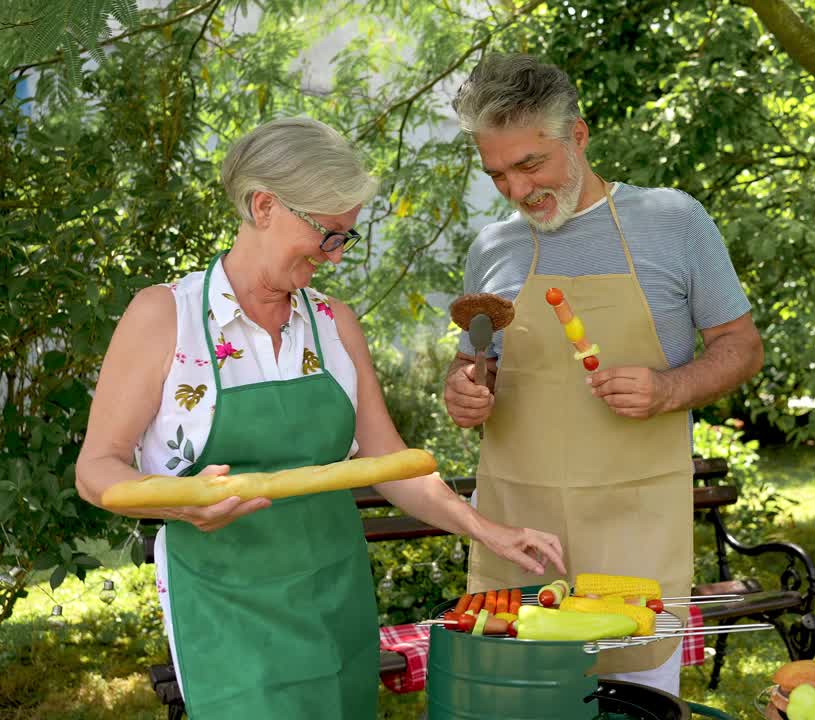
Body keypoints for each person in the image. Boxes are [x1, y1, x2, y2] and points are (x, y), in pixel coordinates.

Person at [75, 117, 565, 720]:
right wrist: (175, 501)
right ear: (263, 206)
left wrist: (483, 527)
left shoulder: (335, 323)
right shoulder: (164, 317)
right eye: (328, 235)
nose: (334, 256)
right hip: (226, 611)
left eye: (345, 238)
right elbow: (97, 467)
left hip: (336, 598)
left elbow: (392, 465)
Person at [444, 54, 764, 695]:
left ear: (579, 136)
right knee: (519, 704)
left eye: (531, 164)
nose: (516, 190)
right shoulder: (492, 248)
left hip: (634, 532)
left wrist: (669, 387)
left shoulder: (673, 221)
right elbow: (475, 363)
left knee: (634, 701)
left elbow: (741, 347)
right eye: (498, 174)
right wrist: (464, 391)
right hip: (521, 535)